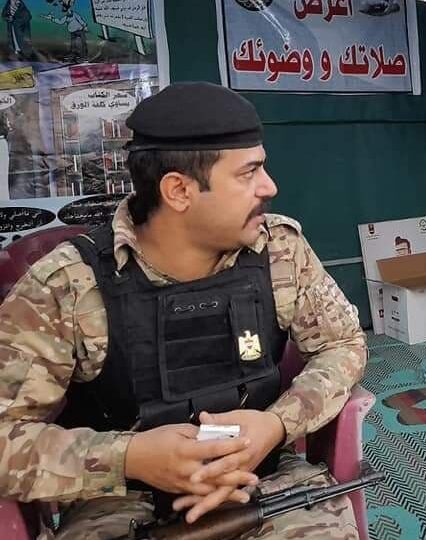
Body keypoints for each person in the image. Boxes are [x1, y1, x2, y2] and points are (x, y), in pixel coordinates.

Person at [0, 82, 367, 539]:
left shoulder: (279, 250)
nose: (269, 186)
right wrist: (129, 457)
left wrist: (276, 424)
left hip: (268, 480)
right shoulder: (66, 286)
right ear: (178, 190)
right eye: (248, 173)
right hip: (121, 500)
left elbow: (343, 344)